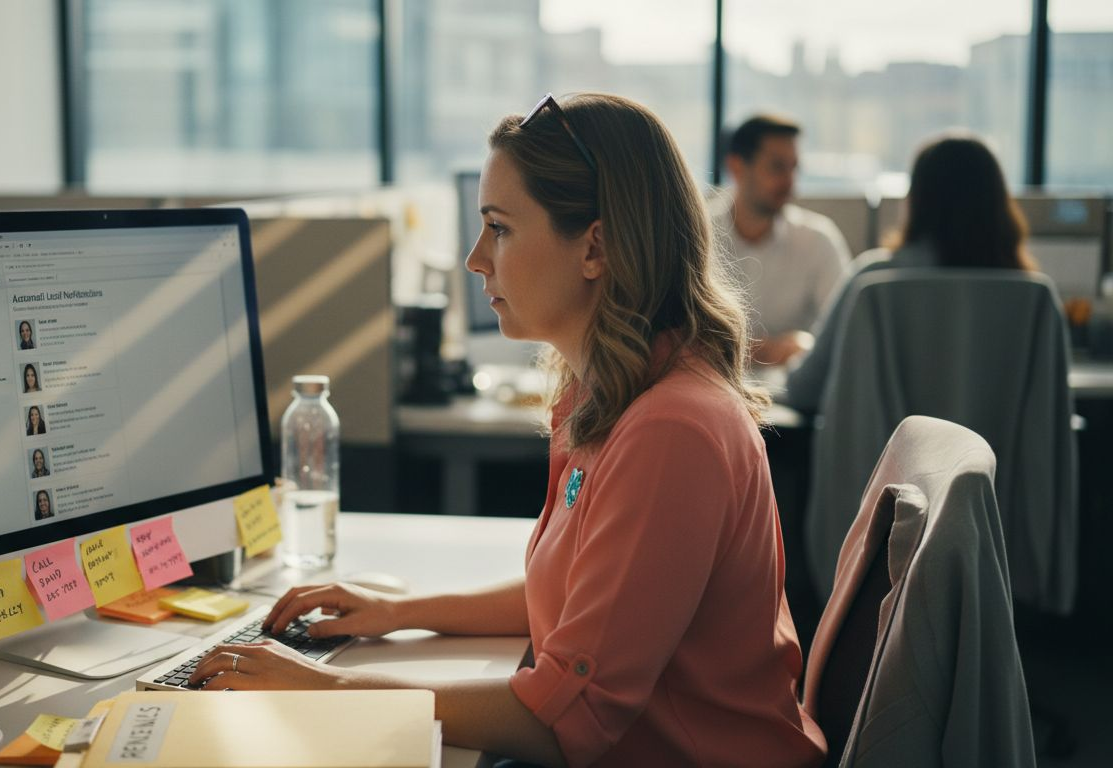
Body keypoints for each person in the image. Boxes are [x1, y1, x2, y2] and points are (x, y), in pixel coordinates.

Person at [186, 94, 825, 767]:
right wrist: (398, 611)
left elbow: (568, 716)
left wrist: (328, 689)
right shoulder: (613, 393)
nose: (474, 259)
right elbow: (594, 601)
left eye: (498, 228)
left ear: (596, 247)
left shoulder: (671, 430)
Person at [784, 132, 1036, 412]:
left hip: (888, 456)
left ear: (917, 199)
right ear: (999, 203)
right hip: (997, 456)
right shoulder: (1032, 294)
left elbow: (805, 390)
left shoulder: (874, 280)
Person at [712, 114, 851, 365]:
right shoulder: (696, 236)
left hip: (795, 393)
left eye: (794, 168)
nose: (790, 183)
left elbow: (845, 332)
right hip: (712, 389)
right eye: (777, 167)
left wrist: (803, 345)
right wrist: (765, 350)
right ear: (736, 166)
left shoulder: (817, 240)